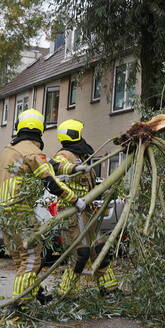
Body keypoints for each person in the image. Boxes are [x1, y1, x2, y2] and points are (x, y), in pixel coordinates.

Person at [0, 108, 90, 301]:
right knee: (31, 259)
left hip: (1, 212)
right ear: (40, 130)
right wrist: (75, 199)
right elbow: (50, 181)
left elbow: (52, 166)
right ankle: (21, 303)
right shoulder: (33, 152)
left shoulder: (9, 150)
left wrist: (74, 169)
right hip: (20, 212)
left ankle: (36, 294)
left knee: (22, 259)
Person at [51, 119, 119, 295]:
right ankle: (66, 293)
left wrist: (106, 191)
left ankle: (109, 289)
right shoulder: (64, 155)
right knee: (80, 254)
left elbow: (90, 185)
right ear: (75, 135)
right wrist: (74, 169)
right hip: (72, 212)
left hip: (87, 211)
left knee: (100, 249)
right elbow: (55, 166)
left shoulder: (81, 157)